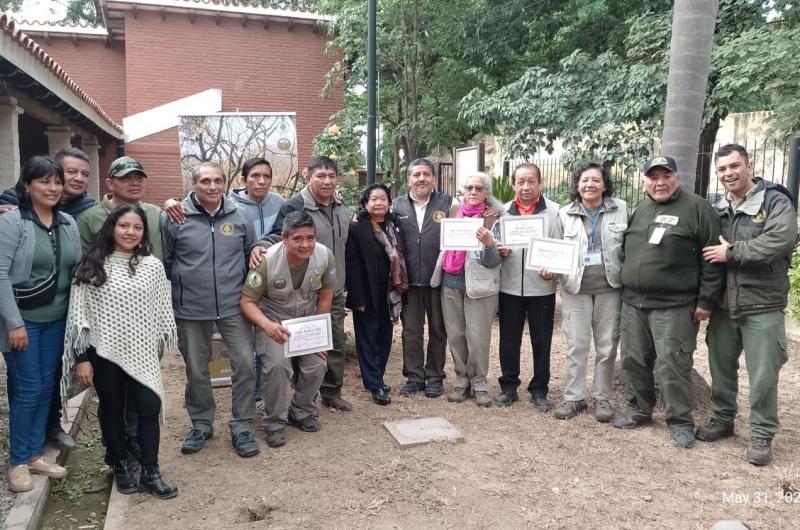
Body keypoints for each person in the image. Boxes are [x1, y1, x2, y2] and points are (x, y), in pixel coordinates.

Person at [63, 204, 178, 498]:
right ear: (112, 227)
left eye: (137, 227)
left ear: (144, 231)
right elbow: (78, 319)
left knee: (149, 409)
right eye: (124, 226)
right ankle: (120, 465)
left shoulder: (152, 266)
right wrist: (82, 360)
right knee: (112, 410)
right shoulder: (92, 264)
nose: (130, 232)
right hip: (103, 354)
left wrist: (155, 344)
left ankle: (151, 472)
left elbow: (161, 311)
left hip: (142, 352)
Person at [613, 156, 724, 449]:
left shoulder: (697, 208)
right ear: (644, 181)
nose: (659, 182)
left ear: (677, 178)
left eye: (666, 176)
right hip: (634, 303)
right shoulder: (641, 208)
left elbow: (713, 259)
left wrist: (706, 301)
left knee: (672, 364)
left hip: (675, 305)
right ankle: (639, 411)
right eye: (653, 177)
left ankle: (681, 422)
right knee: (634, 360)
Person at [696, 144, 797, 466]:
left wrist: (733, 252)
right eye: (722, 169)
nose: (728, 173)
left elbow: (780, 240)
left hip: (762, 304)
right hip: (725, 305)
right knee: (721, 367)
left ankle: (762, 433)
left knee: (764, 374)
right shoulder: (717, 207)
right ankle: (723, 419)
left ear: (749, 165)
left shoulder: (775, 201)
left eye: (734, 166)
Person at [0, 147, 96, 452]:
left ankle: (38, 447)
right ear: (28, 185)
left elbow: (77, 269)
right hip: (24, 319)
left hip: (58, 319)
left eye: (57, 182)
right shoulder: (12, 217)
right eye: (46, 181)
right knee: (28, 388)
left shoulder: (70, 220)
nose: (54, 188)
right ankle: (20, 457)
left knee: (46, 386)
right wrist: (14, 323)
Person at [161, 162, 259, 458]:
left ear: (225, 184)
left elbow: (250, 256)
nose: (212, 186)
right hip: (190, 308)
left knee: (244, 363)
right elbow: (166, 260)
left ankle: (241, 425)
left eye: (218, 181)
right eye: (205, 181)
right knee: (197, 369)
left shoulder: (240, 216)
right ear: (194, 185)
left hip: (233, 306)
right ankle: (201, 424)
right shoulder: (175, 217)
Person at [249, 156, 352, 411]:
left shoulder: (339, 205)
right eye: (321, 176)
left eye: (331, 176)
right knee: (292, 350)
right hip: (301, 290)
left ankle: (330, 392)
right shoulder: (296, 205)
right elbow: (277, 234)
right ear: (309, 177)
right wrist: (259, 247)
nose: (327, 181)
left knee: (331, 343)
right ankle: (292, 399)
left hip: (331, 287)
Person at [241, 211, 335, 448]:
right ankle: (274, 423)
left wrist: (320, 336)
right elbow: (247, 303)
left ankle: (302, 412)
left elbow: (325, 298)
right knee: (277, 367)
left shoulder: (324, 256)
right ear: (284, 238)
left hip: (305, 323)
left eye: (310, 237)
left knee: (317, 364)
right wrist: (267, 325)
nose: (306, 244)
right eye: (298, 239)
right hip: (274, 323)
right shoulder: (266, 261)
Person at [541, 163, 627, 422]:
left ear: (604, 184)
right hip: (575, 288)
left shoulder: (621, 209)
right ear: (577, 185)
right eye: (584, 180)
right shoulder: (564, 213)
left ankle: (602, 398)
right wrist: (549, 268)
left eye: (595, 180)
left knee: (607, 346)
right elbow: (553, 246)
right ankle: (573, 397)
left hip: (610, 288)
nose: (590, 185)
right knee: (576, 345)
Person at [491, 163, 559, 412]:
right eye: (521, 182)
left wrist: (553, 266)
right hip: (509, 287)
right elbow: (493, 242)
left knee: (542, 341)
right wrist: (500, 249)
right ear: (513, 184)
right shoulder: (502, 212)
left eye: (531, 181)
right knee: (509, 340)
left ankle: (540, 390)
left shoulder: (555, 212)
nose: (526, 187)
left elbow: (561, 247)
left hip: (542, 287)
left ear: (540, 183)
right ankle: (508, 386)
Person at [433, 172, 502, 407]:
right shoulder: (453, 214)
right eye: (469, 187)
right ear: (463, 190)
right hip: (450, 283)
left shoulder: (495, 219)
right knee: (455, 334)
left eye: (479, 188)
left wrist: (489, 243)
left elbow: (494, 262)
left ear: (486, 193)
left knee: (478, 336)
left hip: (480, 287)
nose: (473, 192)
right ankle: (462, 377)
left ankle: (480, 381)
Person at [392, 158, 453, 398]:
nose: (421, 179)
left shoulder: (448, 203)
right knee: (411, 331)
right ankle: (414, 377)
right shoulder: (396, 206)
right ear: (409, 179)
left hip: (438, 279)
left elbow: (474, 209)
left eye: (426, 174)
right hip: (408, 281)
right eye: (416, 174)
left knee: (439, 329)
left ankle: (435, 376)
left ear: (434, 178)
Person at [345, 184, 408, 405]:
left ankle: (377, 377)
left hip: (389, 293)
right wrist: (357, 297)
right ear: (365, 203)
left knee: (384, 337)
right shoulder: (357, 228)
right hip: (366, 292)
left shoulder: (394, 225)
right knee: (367, 338)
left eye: (383, 198)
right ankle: (374, 384)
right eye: (374, 199)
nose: (379, 203)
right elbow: (351, 265)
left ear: (390, 203)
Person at [78, 156, 163, 260]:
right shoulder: (89, 218)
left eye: (139, 178)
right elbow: (83, 262)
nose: (135, 183)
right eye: (126, 178)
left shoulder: (156, 214)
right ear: (110, 183)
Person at [0, 147, 97, 218]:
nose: (79, 178)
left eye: (85, 174)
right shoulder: (14, 198)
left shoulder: (90, 207)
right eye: (71, 172)